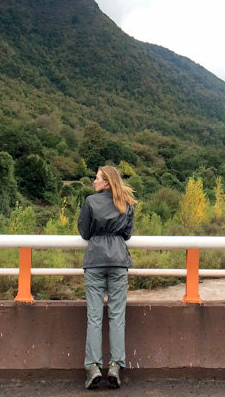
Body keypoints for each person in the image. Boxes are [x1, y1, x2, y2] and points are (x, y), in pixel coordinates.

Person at [78, 165, 136, 389]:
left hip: (94, 260)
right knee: (117, 316)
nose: (94, 181)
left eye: (97, 178)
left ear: (106, 182)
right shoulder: (127, 203)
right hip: (118, 261)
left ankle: (93, 367)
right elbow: (127, 233)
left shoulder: (91, 202)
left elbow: (84, 232)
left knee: (94, 316)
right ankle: (115, 366)